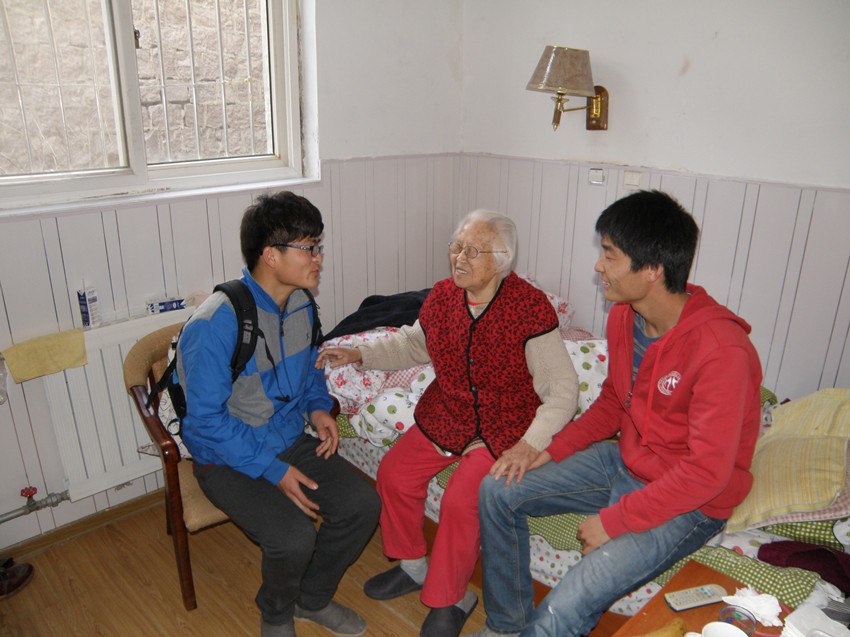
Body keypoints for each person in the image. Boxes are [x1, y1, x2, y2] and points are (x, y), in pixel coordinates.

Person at [470, 190, 763, 637]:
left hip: (691, 500)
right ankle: (507, 625)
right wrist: (549, 450)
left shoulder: (722, 350)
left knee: (564, 607)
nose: (598, 266)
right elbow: (614, 401)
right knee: (497, 488)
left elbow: (706, 474)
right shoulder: (624, 315)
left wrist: (613, 522)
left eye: (609, 255)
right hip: (626, 461)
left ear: (652, 269)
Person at [316, 210, 579, 637]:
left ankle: (452, 597)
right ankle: (413, 566)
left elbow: (562, 390)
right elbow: (413, 344)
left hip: (506, 423)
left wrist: (530, 444)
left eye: (473, 251)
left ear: (502, 259)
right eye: (456, 247)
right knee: (395, 475)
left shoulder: (529, 307)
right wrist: (361, 354)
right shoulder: (443, 296)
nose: (459, 258)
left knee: (460, 501)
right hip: (449, 411)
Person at [176, 191, 381, 637]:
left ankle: (312, 599)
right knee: (293, 538)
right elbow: (203, 424)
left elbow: (310, 371)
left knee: (362, 506)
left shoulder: (301, 303)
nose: (318, 258)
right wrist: (272, 470)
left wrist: (318, 408)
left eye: (318, 246)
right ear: (271, 256)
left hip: (287, 438)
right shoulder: (214, 324)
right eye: (309, 248)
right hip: (225, 457)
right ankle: (276, 613)